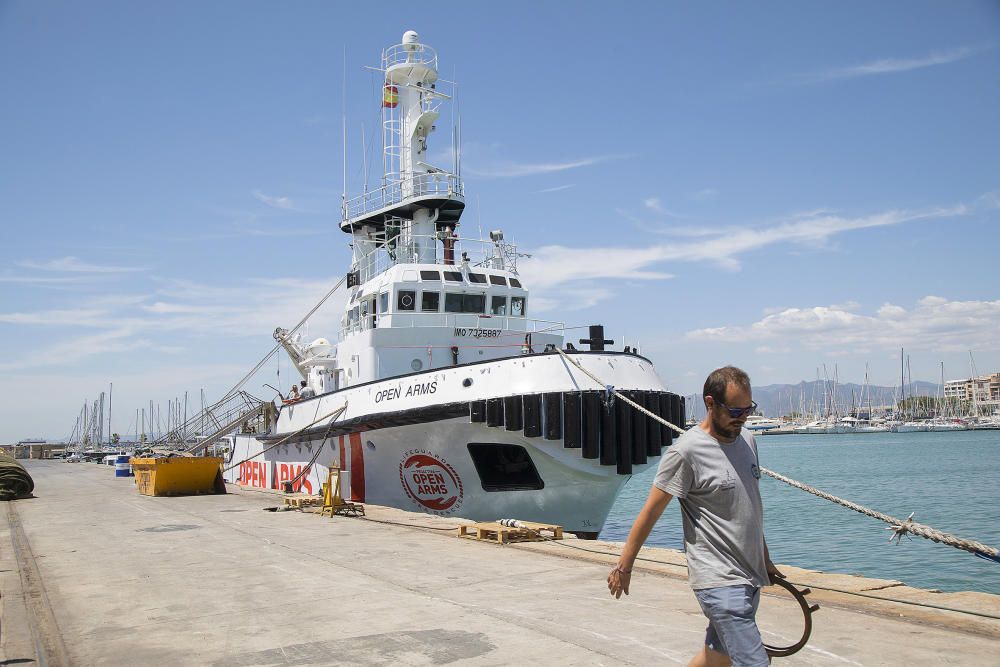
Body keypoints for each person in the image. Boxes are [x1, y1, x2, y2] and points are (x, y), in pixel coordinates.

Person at [607, 366, 782, 667]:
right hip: (719, 581)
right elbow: (651, 511)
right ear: (710, 403)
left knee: (715, 658)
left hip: (749, 577)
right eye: (735, 410)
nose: (742, 418)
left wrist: (764, 559)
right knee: (755, 663)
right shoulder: (685, 452)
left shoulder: (748, 442)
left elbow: (749, 506)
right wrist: (624, 566)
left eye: (747, 409)